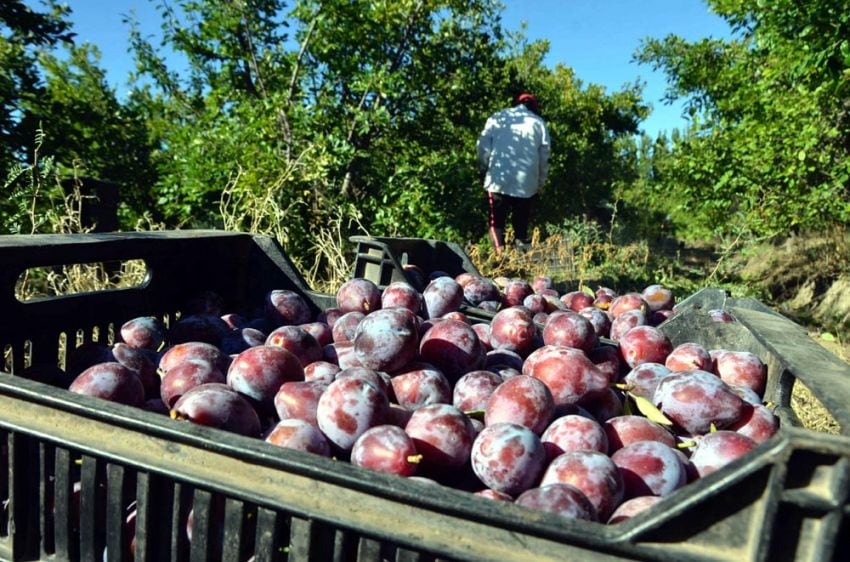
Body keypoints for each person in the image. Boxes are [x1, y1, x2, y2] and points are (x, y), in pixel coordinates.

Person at [476, 92, 550, 253]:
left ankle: (499, 257)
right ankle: (521, 262)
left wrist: (483, 168)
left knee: (496, 223)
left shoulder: (498, 118)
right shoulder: (539, 123)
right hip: (526, 183)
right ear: (534, 107)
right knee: (521, 227)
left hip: (498, 179)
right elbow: (544, 157)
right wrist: (540, 183)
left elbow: (483, 146)